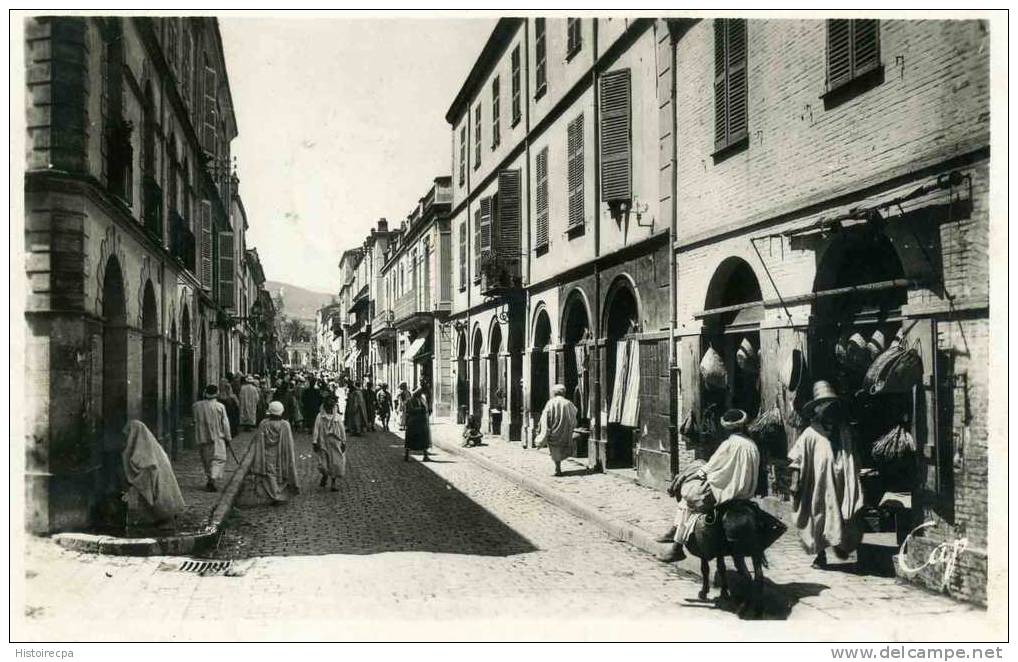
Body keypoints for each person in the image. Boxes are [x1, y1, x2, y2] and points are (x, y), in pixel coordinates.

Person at [658, 408, 761, 562]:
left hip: (727, 491)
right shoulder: (752, 445)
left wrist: (697, 474)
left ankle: (677, 547)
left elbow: (711, 466)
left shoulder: (729, 444)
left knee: (688, 502)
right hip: (746, 492)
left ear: (727, 428)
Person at [788, 380, 864, 569]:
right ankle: (821, 554)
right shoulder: (810, 434)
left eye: (831, 405)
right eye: (824, 406)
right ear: (817, 409)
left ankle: (840, 544)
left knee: (844, 513)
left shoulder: (844, 431)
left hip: (842, 481)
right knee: (819, 515)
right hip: (819, 483)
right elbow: (796, 460)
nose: (828, 409)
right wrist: (795, 482)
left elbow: (853, 454)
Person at [121, 420, 186, 526]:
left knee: (158, 497)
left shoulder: (143, 448)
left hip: (155, 477)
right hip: (158, 476)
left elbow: (143, 467)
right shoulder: (150, 445)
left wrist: (131, 480)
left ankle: (163, 517)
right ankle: (164, 515)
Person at [250, 401, 300, 504]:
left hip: (268, 454)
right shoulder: (285, 425)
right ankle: (278, 495)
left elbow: (259, 441)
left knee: (271, 475)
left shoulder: (264, 424)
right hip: (281, 454)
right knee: (279, 474)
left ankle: (275, 494)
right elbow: (289, 443)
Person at [192, 384, 232, 492]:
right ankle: (213, 479)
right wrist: (228, 437)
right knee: (219, 459)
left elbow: (194, 420)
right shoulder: (220, 406)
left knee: (207, 460)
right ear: (217, 393)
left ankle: (210, 478)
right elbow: (225, 423)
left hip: (203, 437)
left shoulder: (196, 406)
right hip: (217, 436)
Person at [534, 384, 579, 476]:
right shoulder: (568, 403)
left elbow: (545, 416)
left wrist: (542, 427)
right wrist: (570, 425)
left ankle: (557, 467)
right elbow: (574, 413)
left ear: (554, 393)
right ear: (564, 392)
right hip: (565, 430)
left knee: (555, 450)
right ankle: (558, 467)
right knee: (562, 448)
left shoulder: (550, 402)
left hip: (553, 429)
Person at [312, 393, 347, 491]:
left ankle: (333, 483)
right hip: (323, 442)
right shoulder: (320, 416)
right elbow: (316, 429)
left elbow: (342, 430)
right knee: (323, 464)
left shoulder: (337, 417)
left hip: (335, 443)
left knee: (335, 463)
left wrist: (344, 442)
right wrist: (315, 441)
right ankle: (325, 475)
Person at [403, 387, 432, 462]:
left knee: (423, 439)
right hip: (412, 422)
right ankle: (406, 455)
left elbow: (425, 408)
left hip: (421, 422)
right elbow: (409, 410)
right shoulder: (410, 401)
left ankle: (425, 456)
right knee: (410, 439)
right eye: (418, 393)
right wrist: (420, 409)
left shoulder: (421, 400)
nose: (420, 394)